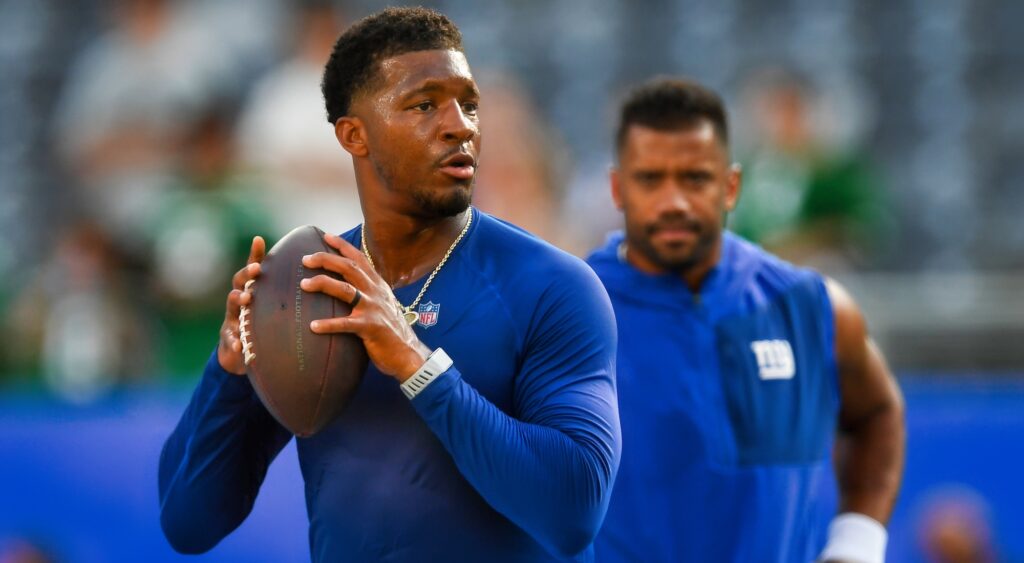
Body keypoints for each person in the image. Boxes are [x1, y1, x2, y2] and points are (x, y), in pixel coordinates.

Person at [158, 8, 620, 562]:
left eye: (469, 104)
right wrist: (230, 375)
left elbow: (574, 512)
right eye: (425, 105)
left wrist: (415, 364)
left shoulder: (552, 286)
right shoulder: (312, 289)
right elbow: (188, 523)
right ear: (354, 135)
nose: (460, 126)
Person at [588, 78, 905, 562]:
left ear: (731, 186)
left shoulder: (809, 306)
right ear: (617, 188)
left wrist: (856, 544)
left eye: (695, 178)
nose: (674, 201)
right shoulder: (567, 310)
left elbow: (877, 412)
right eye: (650, 179)